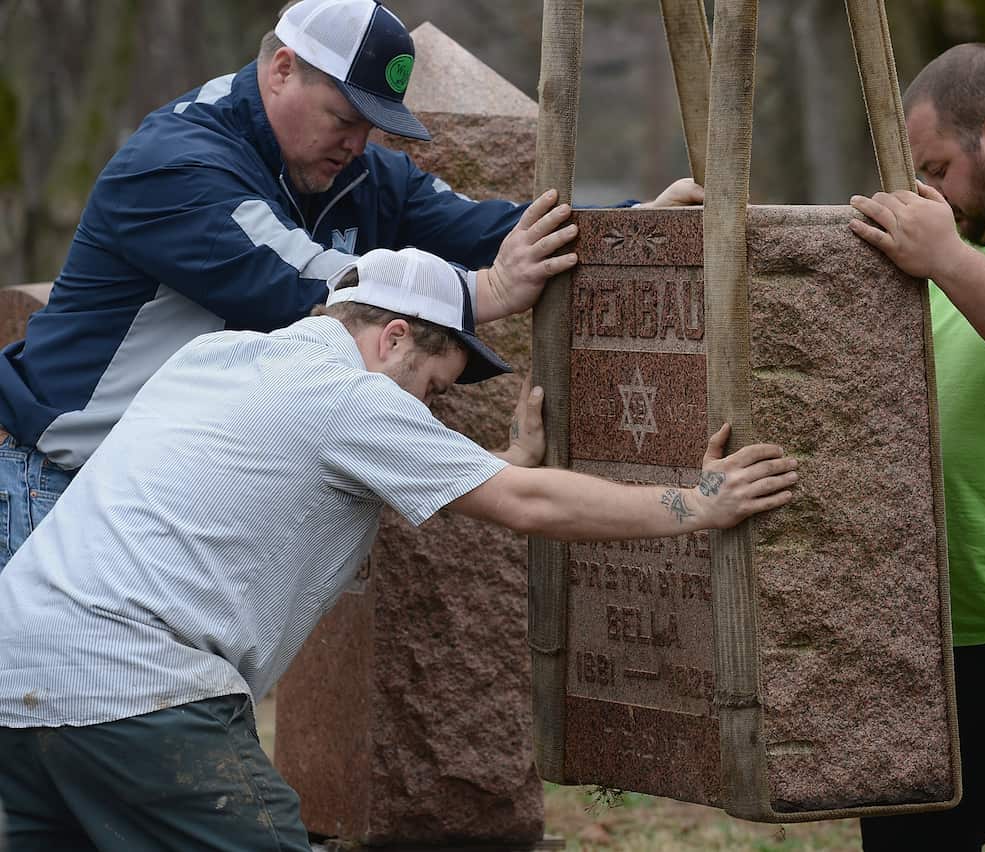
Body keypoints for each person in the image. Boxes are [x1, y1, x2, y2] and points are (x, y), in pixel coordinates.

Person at [0, 246, 797, 852]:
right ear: (392, 338)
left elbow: (294, 484)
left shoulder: (217, 358)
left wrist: (496, 468)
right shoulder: (350, 398)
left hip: (17, 675)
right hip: (138, 693)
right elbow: (522, 506)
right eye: (435, 390)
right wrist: (698, 503)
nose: (429, 411)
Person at [0, 0, 702, 570]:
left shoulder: (358, 174)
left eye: (372, 127)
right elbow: (308, 284)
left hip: (155, 504)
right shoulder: (175, 165)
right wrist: (484, 293)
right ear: (282, 70)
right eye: (344, 118)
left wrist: (634, 230)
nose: (356, 144)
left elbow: (498, 229)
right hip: (52, 486)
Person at [848, 43, 985, 850]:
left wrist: (945, 256)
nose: (928, 195)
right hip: (929, 639)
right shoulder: (957, 247)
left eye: (936, 168)